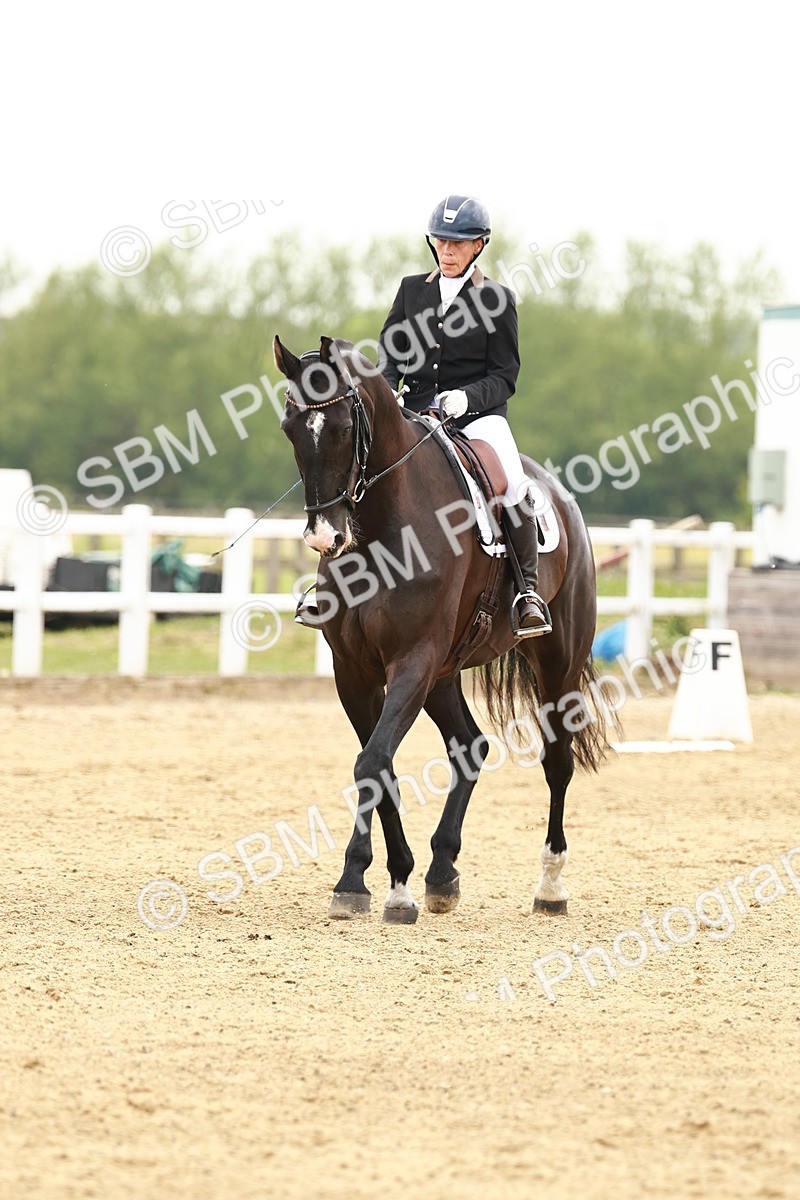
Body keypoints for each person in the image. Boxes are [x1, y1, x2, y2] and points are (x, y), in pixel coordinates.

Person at [377, 194, 551, 637]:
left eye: (457, 243)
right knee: (364, 467)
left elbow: (505, 376)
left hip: (478, 418)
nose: (447, 251)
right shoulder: (411, 290)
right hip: (415, 412)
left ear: (478, 245)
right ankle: (334, 584)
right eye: (441, 241)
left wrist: (466, 399)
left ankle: (527, 593)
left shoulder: (497, 299)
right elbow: (391, 354)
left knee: (514, 483)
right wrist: (387, 390)